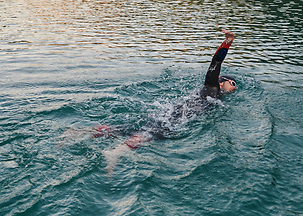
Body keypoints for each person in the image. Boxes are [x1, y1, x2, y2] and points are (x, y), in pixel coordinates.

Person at [68, 30, 237, 173]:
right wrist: (227, 42)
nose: (235, 87)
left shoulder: (215, 96)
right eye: (233, 83)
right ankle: (115, 153)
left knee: (131, 129)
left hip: (172, 113)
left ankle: (80, 132)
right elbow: (216, 62)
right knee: (152, 134)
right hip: (177, 116)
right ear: (221, 81)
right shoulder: (212, 87)